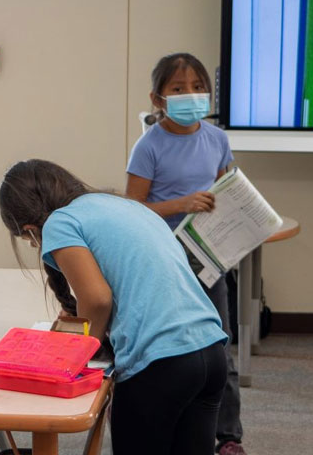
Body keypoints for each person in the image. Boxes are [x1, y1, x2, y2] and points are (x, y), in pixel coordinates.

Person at [0, 159, 229, 454]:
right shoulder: (122, 205)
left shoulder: (60, 221)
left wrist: (77, 357)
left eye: (29, 240)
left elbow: (97, 299)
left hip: (161, 362)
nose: (35, 246)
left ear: (30, 228)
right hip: (211, 351)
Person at [123, 52, 246, 455]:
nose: (190, 95)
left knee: (219, 346)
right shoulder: (149, 146)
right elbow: (133, 208)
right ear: (158, 98)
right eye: (178, 89)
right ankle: (176, 427)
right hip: (167, 260)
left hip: (211, 255)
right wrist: (181, 204)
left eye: (197, 88)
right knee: (174, 350)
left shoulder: (217, 139)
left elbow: (225, 190)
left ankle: (229, 437)